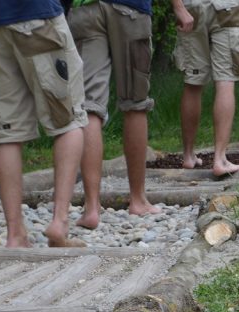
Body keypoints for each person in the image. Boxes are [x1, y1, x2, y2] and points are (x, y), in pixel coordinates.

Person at [0, 0, 87, 248]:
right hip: (37, 16)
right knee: (69, 120)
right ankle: (59, 222)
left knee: (7, 133)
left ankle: (15, 234)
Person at [66, 0, 162, 230]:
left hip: (85, 9)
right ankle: (138, 200)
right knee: (135, 102)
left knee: (89, 106)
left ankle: (91, 207)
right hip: (130, 8)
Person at [173, 0, 239, 176]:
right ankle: (220, 159)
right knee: (225, 80)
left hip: (190, 6)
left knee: (193, 82)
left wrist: (178, 7)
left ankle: (188, 155)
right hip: (226, 6)